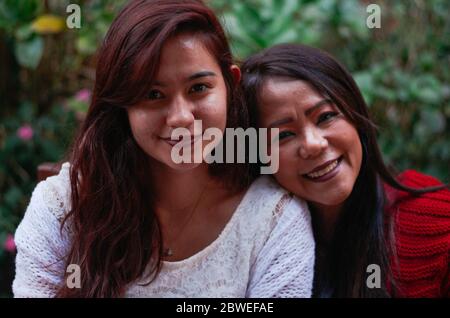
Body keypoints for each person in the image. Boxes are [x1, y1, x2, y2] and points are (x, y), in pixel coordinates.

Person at [12, 1, 315, 298]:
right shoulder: (63, 205)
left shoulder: (273, 219)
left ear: (230, 84)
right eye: (153, 94)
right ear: (123, 106)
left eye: (198, 88)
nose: (181, 117)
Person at [241, 43, 450, 298]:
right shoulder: (255, 245)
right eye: (283, 135)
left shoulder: (434, 221)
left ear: (355, 115)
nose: (313, 144)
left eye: (325, 117)